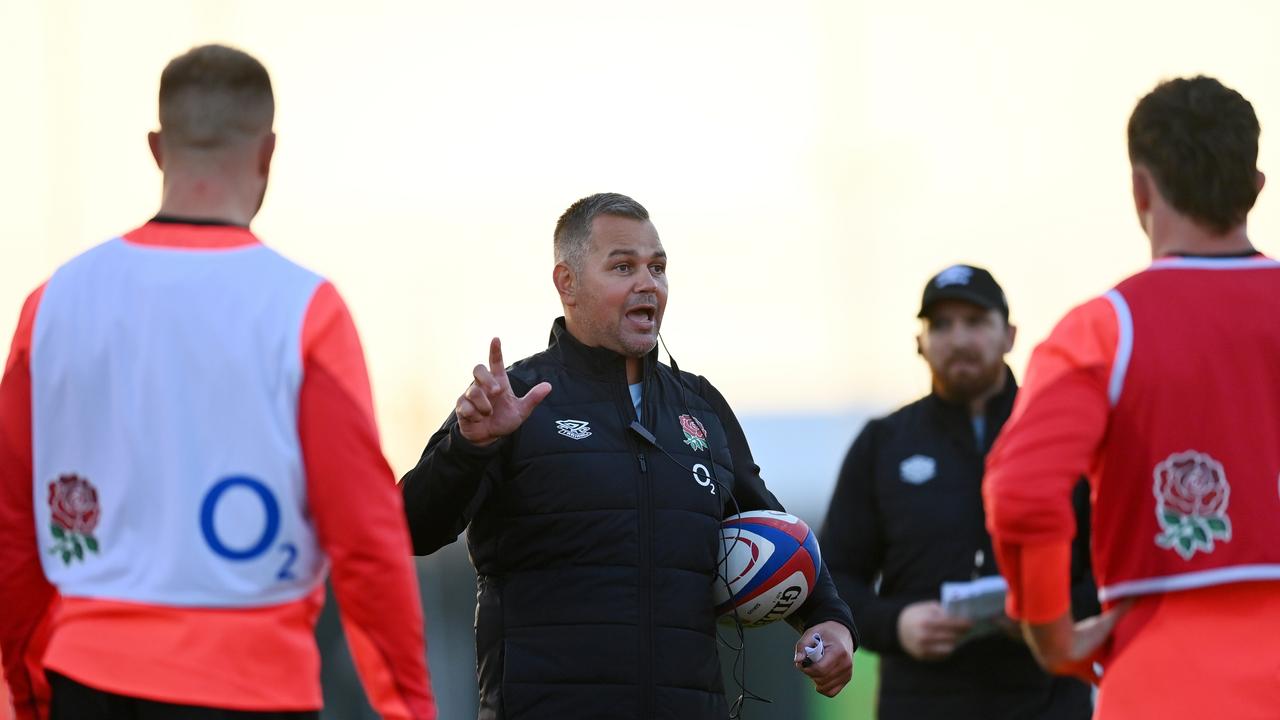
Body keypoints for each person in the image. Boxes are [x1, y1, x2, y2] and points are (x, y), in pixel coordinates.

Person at [0, 45, 436, 720]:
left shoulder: (52, 304)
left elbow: (13, 525)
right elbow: (366, 537)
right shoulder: (305, 312)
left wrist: (29, 694)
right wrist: (407, 707)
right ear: (267, 153)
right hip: (250, 683)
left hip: (87, 678)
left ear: (156, 147)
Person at [399, 192, 856, 719]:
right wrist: (469, 447)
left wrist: (830, 619)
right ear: (566, 283)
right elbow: (410, 528)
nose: (648, 283)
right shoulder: (514, 399)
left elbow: (772, 526)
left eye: (657, 267)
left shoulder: (699, 407)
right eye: (623, 266)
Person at [984, 75, 1280, 719]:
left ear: (1140, 190)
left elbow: (1022, 493)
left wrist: (1051, 631)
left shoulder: (1102, 331)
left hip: (1165, 684)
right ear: (1256, 188)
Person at [819, 265, 1097, 719]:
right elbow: (834, 579)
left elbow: (1111, 569)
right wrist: (898, 624)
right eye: (942, 325)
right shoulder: (883, 443)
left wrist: (1045, 611)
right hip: (921, 702)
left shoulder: (1062, 434)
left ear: (1008, 335)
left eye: (975, 321)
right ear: (919, 343)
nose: (959, 338)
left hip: (1047, 700)